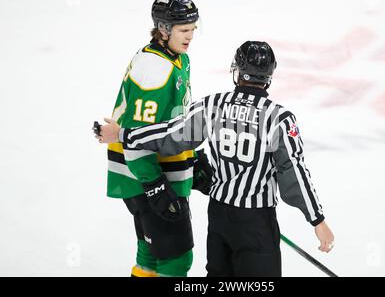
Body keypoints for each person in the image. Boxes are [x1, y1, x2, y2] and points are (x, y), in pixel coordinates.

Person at [97, 41, 335, 277]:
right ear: (269, 76)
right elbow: (293, 171)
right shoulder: (279, 118)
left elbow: (169, 135)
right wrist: (317, 220)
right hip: (256, 222)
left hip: (220, 216)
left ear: (237, 72)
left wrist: (122, 134)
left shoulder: (213, 105)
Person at [102, 0, 203, 277]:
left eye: (193, 29)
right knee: (177, 260)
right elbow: (137, 136)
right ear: (163, 29)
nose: (191, 36)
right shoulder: (154, 69)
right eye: (184, 30)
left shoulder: (173, 57)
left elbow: (171, 120)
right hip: (146, 175)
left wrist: (191, 158)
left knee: (150, 253)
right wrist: (155, 185)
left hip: (151, 173)